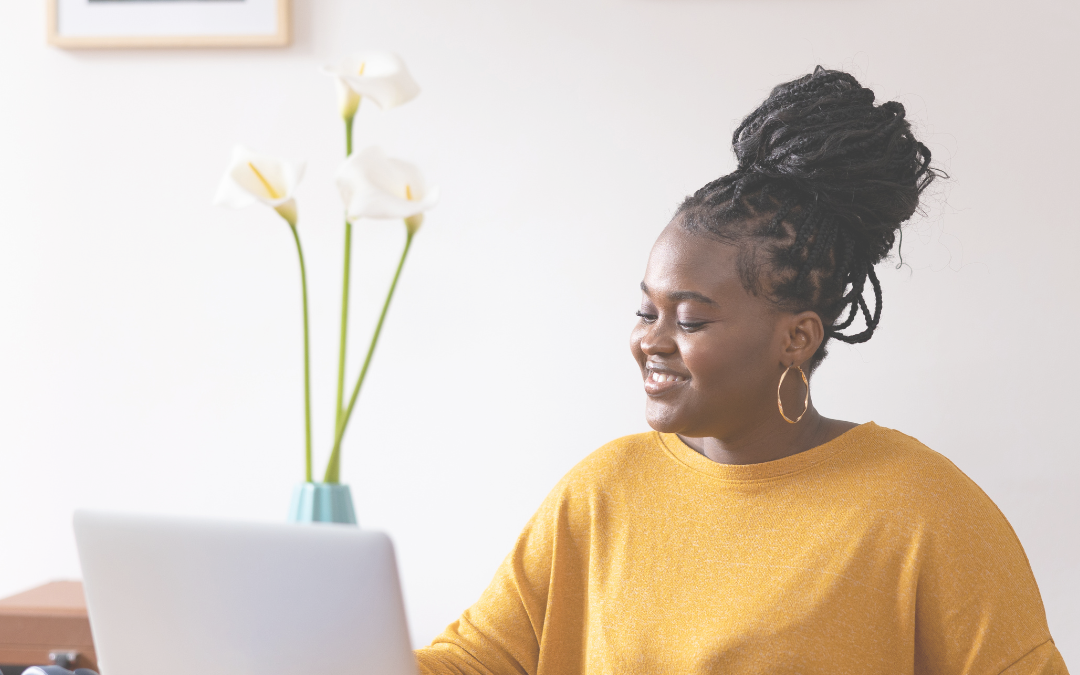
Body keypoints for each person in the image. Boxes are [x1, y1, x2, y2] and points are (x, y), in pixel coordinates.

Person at [414, 67, 1069, 674]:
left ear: (796, 337)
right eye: (647, 311)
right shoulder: (601, 492)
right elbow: (476, 659)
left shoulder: (921, 508)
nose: (652, 341)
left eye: (691, 320)